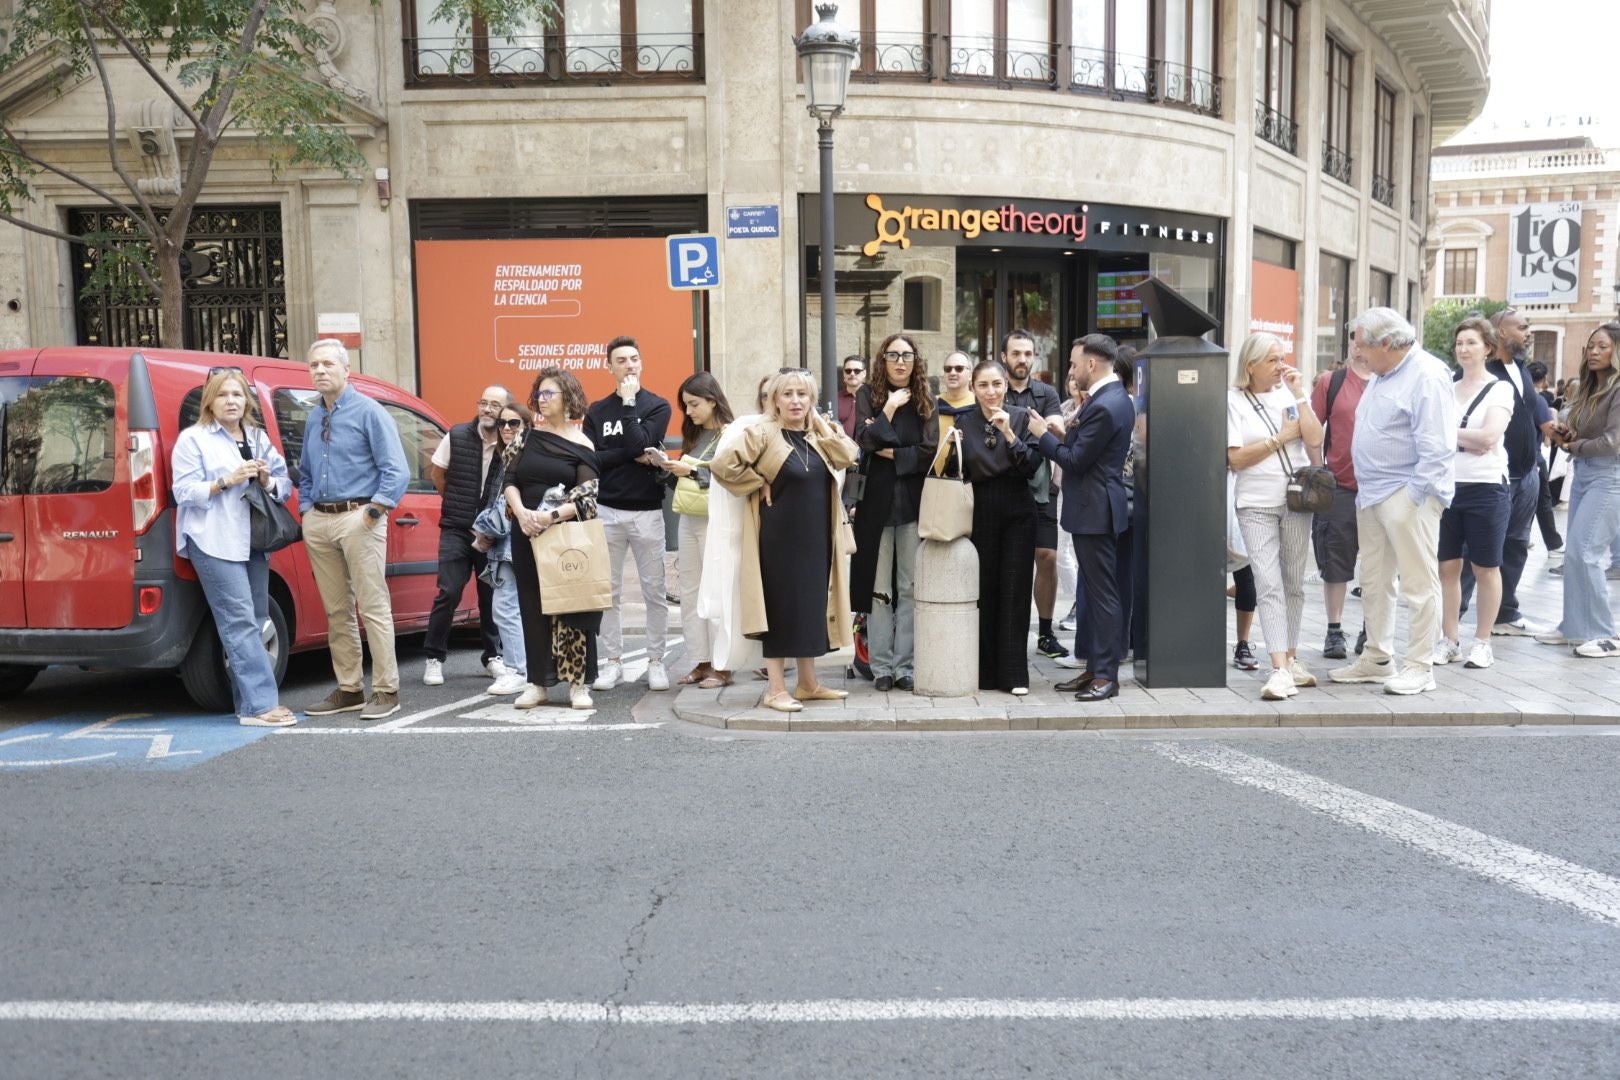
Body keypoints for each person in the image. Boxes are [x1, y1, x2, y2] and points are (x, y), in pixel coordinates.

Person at [711, 369, 859, 713]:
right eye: (788, 394)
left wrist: (821, 425)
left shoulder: (818, 434)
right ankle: (775, 689)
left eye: (803, 394)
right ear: (775, 399)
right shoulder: (762, 432)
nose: (795, 401)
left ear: (811, 400)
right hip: (778, 537)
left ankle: (808, 684)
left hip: (817, 535)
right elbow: (722, 465)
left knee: (810, 606)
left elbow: (848, 455)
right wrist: (756, 480)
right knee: (779, 608)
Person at [1328, 308, 1458, 696]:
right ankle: (1378, 657)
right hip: (1372, 493)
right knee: (1374, 581)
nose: (1356, 353)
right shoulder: (1383, 373)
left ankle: (1420, 666)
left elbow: (1437, 447)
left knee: (1419, 583)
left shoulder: (1427, 375)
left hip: (1406, 494)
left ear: (1386, 343)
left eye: (1361, 345)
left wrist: (1413, 499)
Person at [170, 368, 296, 727]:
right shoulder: (193, 439)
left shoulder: (257, 437)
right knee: (239, 621)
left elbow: (284, 487)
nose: (231, 401)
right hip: (213, 539)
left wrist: (266, 478)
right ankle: (260, 706)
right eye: (223, 395)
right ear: (210, 400)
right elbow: (184, 492)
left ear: (247, 401)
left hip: (254, 539)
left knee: (257, 620)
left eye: (237, 395)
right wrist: (227, 480)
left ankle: (247, 705)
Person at [298, 339, 410, 721]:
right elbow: (307, 471)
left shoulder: (369, 412)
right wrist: (306, 512)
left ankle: (386, 690)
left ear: (347, 370)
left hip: (358, 517)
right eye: (314, 365)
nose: (320, 371)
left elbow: (397, 470)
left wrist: (373, 512)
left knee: (373, 606)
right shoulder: (315, 416)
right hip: (321, 519)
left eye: (328, 364)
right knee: (337, 610)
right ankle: (349, 689)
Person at [1029, 335, 1134, 702]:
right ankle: (1094, 668)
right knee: (1092, 592)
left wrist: (1043, 436)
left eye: (1074, 364)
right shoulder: (1108, 399)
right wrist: (1062, 433)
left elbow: (1074, 461)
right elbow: (1082, 448)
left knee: (1103, 594)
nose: (1071, 371)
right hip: (1093, 506)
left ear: (1092, 364)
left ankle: (1107, 674)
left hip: (1096, 508)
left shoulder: (1107, 404)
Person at [1224, 332, 1324, 701]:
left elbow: (1313, 441)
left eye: (1282, 358)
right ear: (1250, 365)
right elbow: (1234, 458)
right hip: (1255, 503)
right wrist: (1281, 438)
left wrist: (1300, 395)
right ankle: (1279, 667)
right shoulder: (1233, 400)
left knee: (1294, 581)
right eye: (1272, 360)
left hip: (1296, 500)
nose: (1281, 365)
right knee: (1268, 583)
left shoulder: (1289, 394)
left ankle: (1292, 657)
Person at [1457, 309, 1559, 636]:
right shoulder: (1484, 373)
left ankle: (1505, 612)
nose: (1528, 333)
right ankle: (1453, 619)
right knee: (1474, 552)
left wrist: (1560, 432)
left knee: (1516, 544)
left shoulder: (1522, 371)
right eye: (1523, 327)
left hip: (1527, 475)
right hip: (1490, 477)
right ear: (1501, 332)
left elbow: (1539, 417)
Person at [505, 368, 602, 710]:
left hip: (563, 533)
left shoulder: (582, 442)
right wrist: (521, 513)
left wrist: (548, 517)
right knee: (531, 606)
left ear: (568, 398)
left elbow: (587, 496)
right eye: (539, 394)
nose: (542, 400)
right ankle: (537, 683)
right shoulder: (527, 436)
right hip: (526, 531)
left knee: (573, 604)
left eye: (550, 394)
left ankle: (579, 685)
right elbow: (510, 480)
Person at [849, 333, 937, 692]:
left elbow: (929, 450)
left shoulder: (925, 398)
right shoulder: (867, 395)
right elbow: (863, 441)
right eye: (893, 355)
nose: (901, 361)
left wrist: (890, 451)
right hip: (875, 505)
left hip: (914, 504)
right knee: (879, 589)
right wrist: (887, 410)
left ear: (916, 361)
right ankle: (881, 666)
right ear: (882, 360)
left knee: (909, 587)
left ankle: (905, 667)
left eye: (907, 355)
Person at [585, 336, 672, 693]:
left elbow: (639, 444)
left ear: (642, 363)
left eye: (634, 359)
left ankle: (655, 661)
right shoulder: (597, 410)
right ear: (610, 367)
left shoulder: (656, 406)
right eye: (621, 360)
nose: (629, 365)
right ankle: (613, 662)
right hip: (606, 508)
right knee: (609, 592)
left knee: (655, 590)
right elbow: (592, 459)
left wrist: (630, 403)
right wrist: (628, 453)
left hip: (647, 511)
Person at [1433, 318, 1513, 671]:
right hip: (1447, 485)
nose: (1463, 349)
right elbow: (1433, 433)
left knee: (1485, 567)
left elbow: (1488, 438)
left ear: (1488, 348)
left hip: (1486, 487)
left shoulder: (1499, 389)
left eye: (1471, 342)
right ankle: (1449, 639)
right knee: (1446, 566)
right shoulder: (1445, 387)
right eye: (1459, 343)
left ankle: (1483, 641)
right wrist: (1466, 435)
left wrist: (1449, 433)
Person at [1536, 323, 1620, 658]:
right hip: (1586, 473)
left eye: (1602, 346)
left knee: (1586, 552)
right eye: (1590, 346)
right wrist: (1565, 434)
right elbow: (1586, 437)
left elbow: (1613, 443)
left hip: (1609, 476)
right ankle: (1574, 626)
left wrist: (1575, 446)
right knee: (1574, 554)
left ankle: (1604, 633)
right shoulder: (1591, 388)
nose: (1594, 352)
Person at [957, 359, 1040, 696]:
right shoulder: (964, 422)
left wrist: (1008, 433)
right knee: (985, 589)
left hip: (1019, 507)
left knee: (1015, 588)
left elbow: (1032, 467)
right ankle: (985, 672)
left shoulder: (1022, 418)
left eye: (996, 385)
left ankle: (1013, 674)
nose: (991, 392)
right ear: (973, 389)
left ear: (1006, 385)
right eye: (983, 385)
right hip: (981, 507)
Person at [421, 384, 509, 688]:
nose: (487, 409)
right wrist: (459, 508)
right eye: (483, 402)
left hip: (492, 533)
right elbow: (437, 474)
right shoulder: (457, 435)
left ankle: (492, 657)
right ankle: (434, 657)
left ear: (505, 411)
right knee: (449, 591)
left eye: (494, 405)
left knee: (491, 596)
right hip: (456, 528)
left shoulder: (508, 442)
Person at [658, 372, 734, 689]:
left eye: (693, 404)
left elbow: (733, 479)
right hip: (689, 517)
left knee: (716, 591)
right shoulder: (696, 434)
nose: (688, 412)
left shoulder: (731, 434)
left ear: (712, 401)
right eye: (686, 405)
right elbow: (688, 484)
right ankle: (702, 661)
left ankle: (723, 665)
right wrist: (667, 469)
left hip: (717, 519)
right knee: (689, 592)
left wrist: (691, 470)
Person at [697, 373, 774, 683]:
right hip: (746, 522)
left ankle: (775, 663)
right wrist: (761, 482)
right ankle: (723, 665)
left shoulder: (804, 426)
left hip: (785, 525)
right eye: (767, 394)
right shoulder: (745, 427)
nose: (775, 399)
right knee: (733, 592)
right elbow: (724, 468)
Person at [1002, 330, 1068, 663]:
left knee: (1047, 557)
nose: (1023, 359)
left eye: (1028, 353)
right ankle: (1005, 632)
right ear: (1004, 357)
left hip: (1042, 487)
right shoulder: (994, 389)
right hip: (1003, 485)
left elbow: (1056, 428)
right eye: (1016, 353)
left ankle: (1044, 632)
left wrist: (1048, 429)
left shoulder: (1046, 392)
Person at [1309, 347, 1373, 659]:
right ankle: (1334, 631)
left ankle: (1370, 629)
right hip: (1341, 489)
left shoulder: (1390, 381)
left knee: (1378, 566)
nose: (1359, 347)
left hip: (1381, 489)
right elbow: (1310, 428)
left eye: (1367, 340)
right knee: (1335, 563)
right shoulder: (1330, 382)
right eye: (1355, 339)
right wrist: (1319, 470)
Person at [471, 401, 532, 697]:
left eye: (514, 423)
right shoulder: (503, 456)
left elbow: (511, 502)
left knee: (506, 606)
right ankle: (522, 667)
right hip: (504, 540)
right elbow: (493, 500)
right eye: (502, 424)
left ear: (527, 425)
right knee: (512, 606)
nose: (506, 429)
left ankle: (518, 669)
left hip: (516, 539)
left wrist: (488, 529)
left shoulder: (525, 456)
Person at [1528, 360, 1564, 552]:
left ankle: (1524, 537)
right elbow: (1550, 436)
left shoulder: (1511, 395)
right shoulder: (1538, 401)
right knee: (1543, 502)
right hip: (1534, 460)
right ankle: (1554, 544)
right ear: (1543, 380)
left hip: (1510, 462)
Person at [837, 355, 866, 439]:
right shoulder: (835, 399)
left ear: (864, 373)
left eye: (857, 371)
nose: (852, 374)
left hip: (867, 450)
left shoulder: (874, 398)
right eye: (848, 371)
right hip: (840, 448)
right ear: (844, 374)